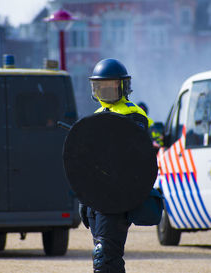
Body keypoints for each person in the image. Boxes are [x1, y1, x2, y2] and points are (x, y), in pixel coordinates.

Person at [79, 58, 152, 273]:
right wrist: (85, 199)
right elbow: (89, 163)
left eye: (111, 85)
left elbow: (132, 157)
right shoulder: (97, 116)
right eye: (100, 86)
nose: (105, 90)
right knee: (108, 257)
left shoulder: (133, 114)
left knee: (105, 258)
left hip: (117, 196)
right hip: (97, 199)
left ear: (123, 86)